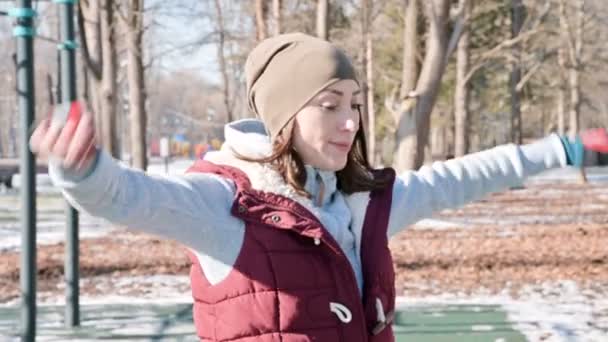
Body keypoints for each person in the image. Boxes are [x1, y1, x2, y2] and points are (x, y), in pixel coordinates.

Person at [29, 32, 608, 341]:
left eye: (354, 104)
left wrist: (557, 150)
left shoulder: (358, 202)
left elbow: (453, 180)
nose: (350, 121)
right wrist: (82, 171)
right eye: (329, 105)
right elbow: (132, 197)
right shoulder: (224, 205)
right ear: (284, 115)